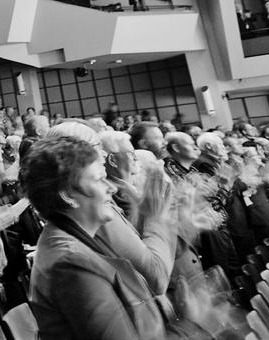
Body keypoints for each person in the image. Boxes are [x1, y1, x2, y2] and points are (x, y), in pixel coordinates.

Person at [22, 136, 166, 340]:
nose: (112, 188)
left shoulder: (73, 242)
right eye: (98, 180)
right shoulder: (71, 264)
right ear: (67, 196)